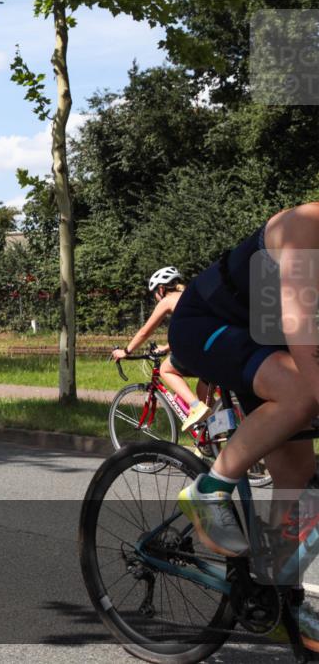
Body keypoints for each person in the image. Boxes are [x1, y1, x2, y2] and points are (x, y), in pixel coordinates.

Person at [172, 202, 319, 562]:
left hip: (264, 342)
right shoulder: (306, 227)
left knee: (297, 476)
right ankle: (209, 490)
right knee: (301, 393)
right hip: (207, 324)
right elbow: (300, 329)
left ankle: (276, 599)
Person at [111, 267, 210, 431]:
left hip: (198, 348)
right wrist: (166, 347)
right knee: (203, 393)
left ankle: (195, 407)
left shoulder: (168, 300)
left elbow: (145, 332)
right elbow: (194, 328)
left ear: (161, 289)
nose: (156, 297)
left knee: (166, 370)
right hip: (214, 346)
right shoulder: (190, 296)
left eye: (154, 293)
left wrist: (125, 351)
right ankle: (210, 440)